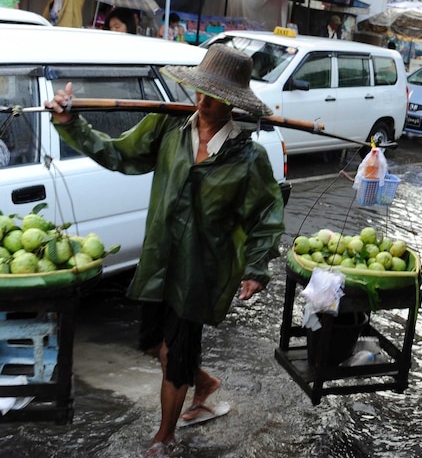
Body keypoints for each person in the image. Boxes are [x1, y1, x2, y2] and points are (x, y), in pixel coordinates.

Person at [44, 44, 285, 458]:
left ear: (234, 102)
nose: (203, 101)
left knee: (175, 352)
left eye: (215, 96)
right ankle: (205, 384)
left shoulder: (248, 158)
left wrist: (256, 268)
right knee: (153, 342)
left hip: (204, 269)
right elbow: (118, 154)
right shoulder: (167, 130)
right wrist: (72, 123)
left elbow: (267, 214)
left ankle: (164, 436)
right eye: (200, 91)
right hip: (160, 260)